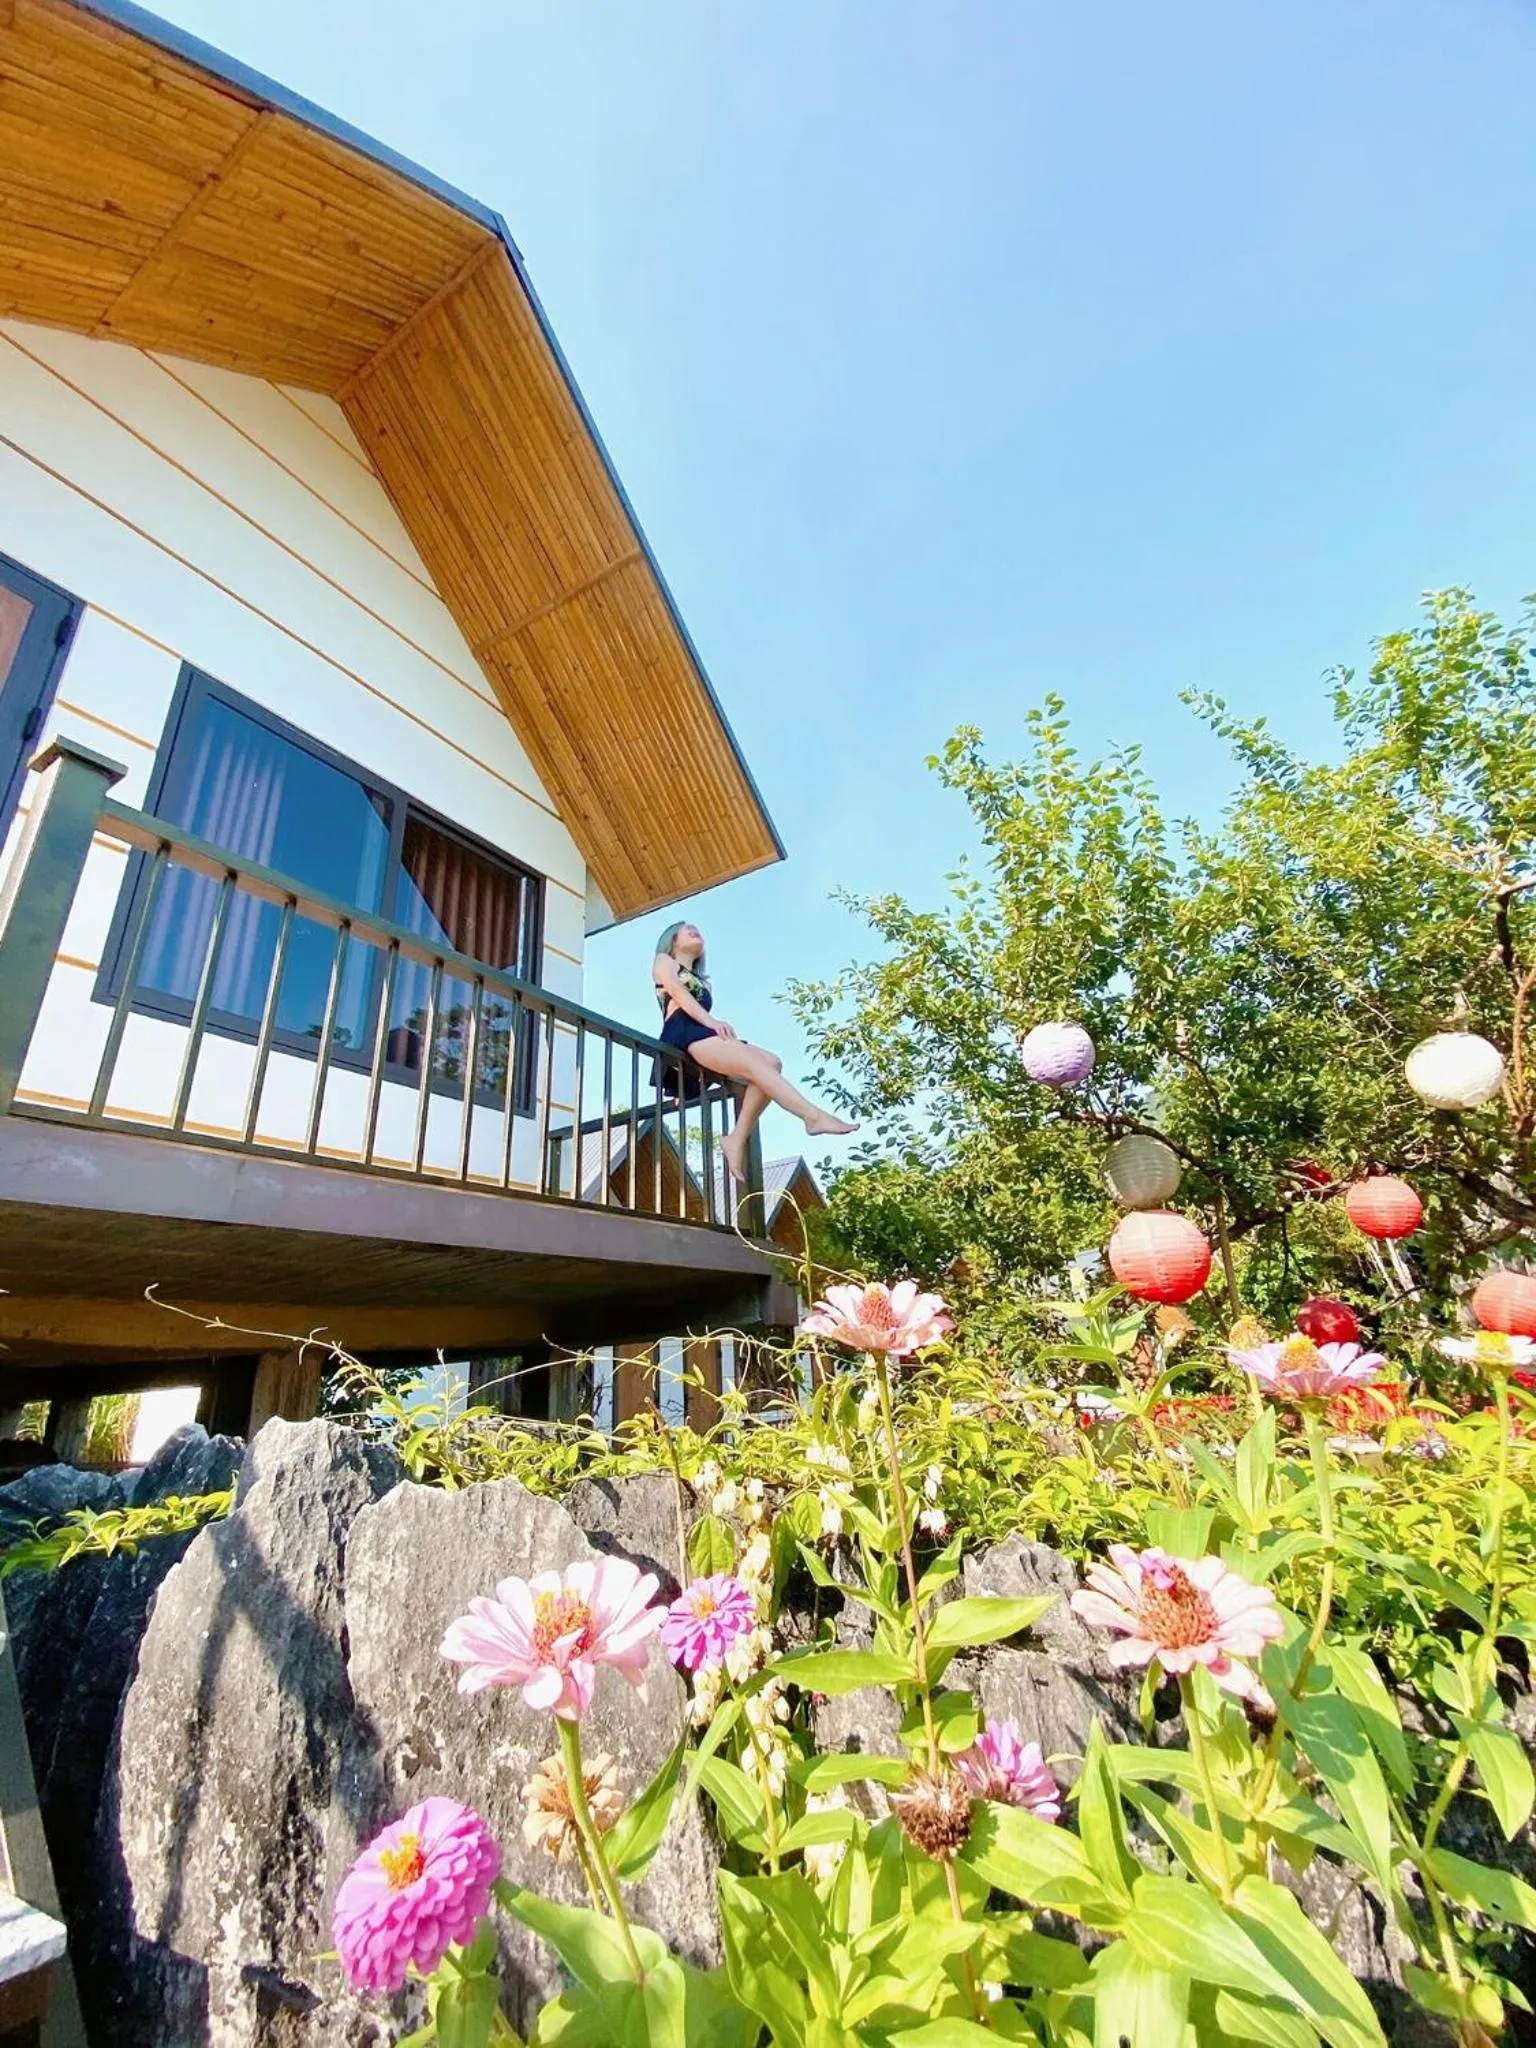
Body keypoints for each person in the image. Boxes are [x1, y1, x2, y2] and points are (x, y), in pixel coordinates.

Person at [652, 921, 856, 1183]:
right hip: (682, 1032)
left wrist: (718, 1031)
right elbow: (678, 992)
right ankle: (811, 1116)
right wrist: (712, 1023)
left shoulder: (705, 984)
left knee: (772, 1061)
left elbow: (695, 1002)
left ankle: (736, 1138)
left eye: (698, 929)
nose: (695, 930)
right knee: (757, 1066)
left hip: (702, 1032)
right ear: (672, 939)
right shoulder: (663, 961)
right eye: (687, 928)